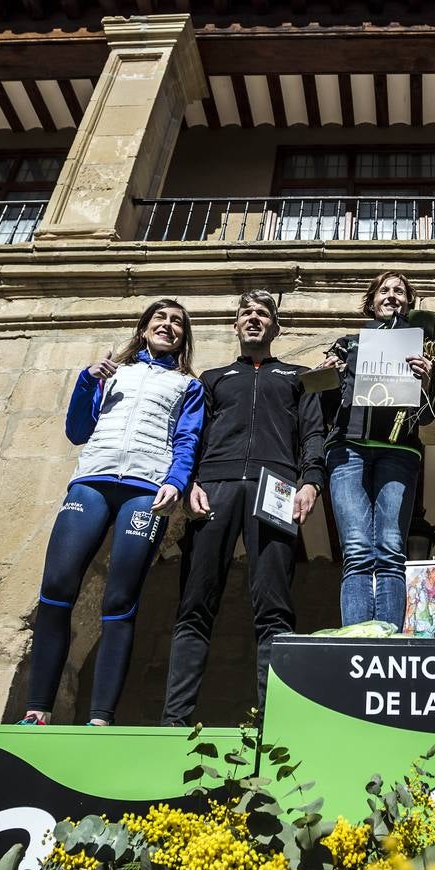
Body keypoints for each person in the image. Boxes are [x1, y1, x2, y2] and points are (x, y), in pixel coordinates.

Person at [17, 299, 204, 727]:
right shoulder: (110, 372)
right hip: (92, 481)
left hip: (146, 489)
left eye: (178, 323)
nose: (169, 326)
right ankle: (38, 709)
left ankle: (101, 718)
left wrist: (176, 481)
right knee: (57, 588)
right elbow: (77, 431)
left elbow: (189, 438)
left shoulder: (187, 384)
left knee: (120, 598)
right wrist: (86, 381)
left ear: (184, 338)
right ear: (143, 329)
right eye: (161, 319)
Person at [162, 290, 326, 726]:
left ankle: (269, 722)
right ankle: (175, 721)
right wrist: (190, 481)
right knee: (196, 601)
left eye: (262, 314)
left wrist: (310, 481)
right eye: (246, 313)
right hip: (214, 487)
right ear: (235, 325)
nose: (254, 319)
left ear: (276, 326)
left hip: (275, 487)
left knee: (273, 605)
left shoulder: (298, 376)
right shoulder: (212, 378)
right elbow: (191, 434)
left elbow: (313, 434)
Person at [321, 272, 435, 628]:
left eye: (399, 291)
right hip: (348, 450)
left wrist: (429, 380)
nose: (391, 296)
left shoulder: (424, 348)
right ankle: (357, 634)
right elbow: (325, 406)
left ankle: (387, 637)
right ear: (371, 301)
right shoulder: (348, 343)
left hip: (400, 452)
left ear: (409, 302)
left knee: (390, 551)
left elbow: (431, 414)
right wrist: (328, 375)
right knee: (356, 550)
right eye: (384, 290)